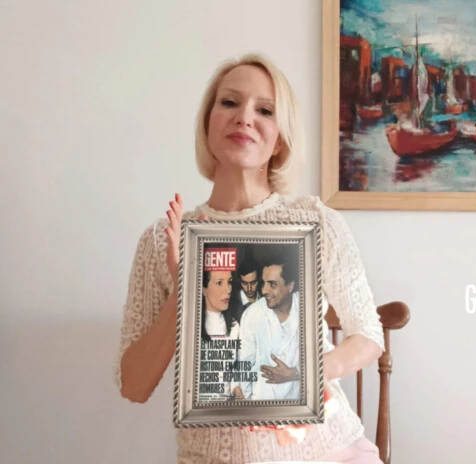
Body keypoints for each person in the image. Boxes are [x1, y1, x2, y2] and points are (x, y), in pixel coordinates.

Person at [116, 53, 385, 463]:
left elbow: (369, 337)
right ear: (207, 123)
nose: (244, 118)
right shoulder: (163, 240)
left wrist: (305, 374)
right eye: (229, 102)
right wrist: (187, 291)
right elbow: (134, 386)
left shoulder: (317, 222)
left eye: (265, 110)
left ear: (281, 137)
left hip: (325, 451)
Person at [232, 254, 301, 401]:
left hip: (299, 404)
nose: (264, 291)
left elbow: (323, 360)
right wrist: (247, 403)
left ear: (290, 286)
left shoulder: (307, 307)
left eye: (272, 284)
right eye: (264, 283)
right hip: (261, 403)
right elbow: (245, 363)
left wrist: (294, 374)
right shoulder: (253, 314)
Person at [199, 269, 240, 402]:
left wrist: (236, 389)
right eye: (219, 283)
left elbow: (234, 369)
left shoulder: (234, 326)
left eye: (229, 282)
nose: (228, 290)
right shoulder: (193, 326)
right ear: (204, 289)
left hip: (225, 407)